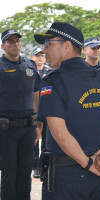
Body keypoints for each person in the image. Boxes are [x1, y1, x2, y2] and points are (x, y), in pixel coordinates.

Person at [34, 22, 100, 200]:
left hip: (65, 179)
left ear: (67, 46)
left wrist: (89, 164)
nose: (44, 50)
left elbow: (60, 134)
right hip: (98, 177)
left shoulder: (52, 81)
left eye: (49, 44)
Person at [0, 29, 41, 200]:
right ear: (3, 46)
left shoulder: (30, 65)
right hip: (5, 129)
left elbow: (36, 94)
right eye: (10, 41)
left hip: (28, 128)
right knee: (9, 172)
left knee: (25, 172)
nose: (15, 43)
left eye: (17, 40)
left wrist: (39, 123)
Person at [31, 47, 51, 178]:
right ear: (32, 57)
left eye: (41, 55)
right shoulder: (29, 72)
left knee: (46, 140)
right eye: (37, 55)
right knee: (35, 139)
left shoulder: (49, 72)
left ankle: (44, 165)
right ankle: (35, 166)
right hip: (33, 110)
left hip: (47, 110)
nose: (39, 57)